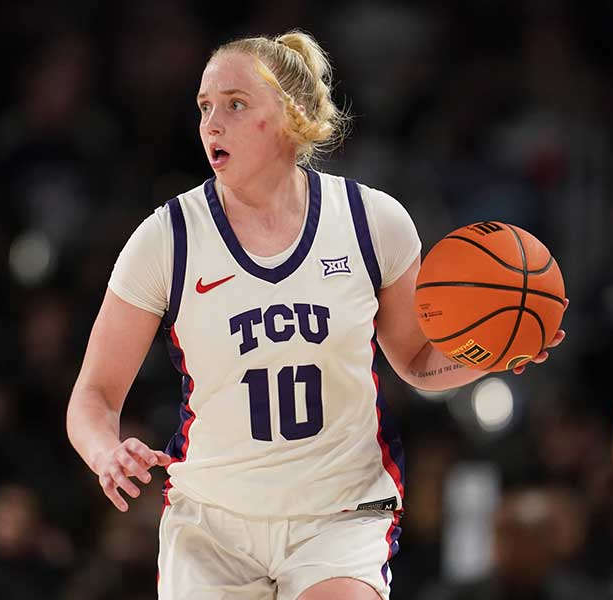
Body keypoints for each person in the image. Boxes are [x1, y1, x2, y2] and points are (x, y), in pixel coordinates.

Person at [66, 30, 565, 600]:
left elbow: (419, 361)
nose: (212, 123)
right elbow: (93, 397)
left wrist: (492, 353)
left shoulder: (371, 221)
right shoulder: (168, 239)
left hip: (340, 513)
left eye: (234, 104)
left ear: (291, 115)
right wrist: (106, 451)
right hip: (215, 522)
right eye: (205, 106)